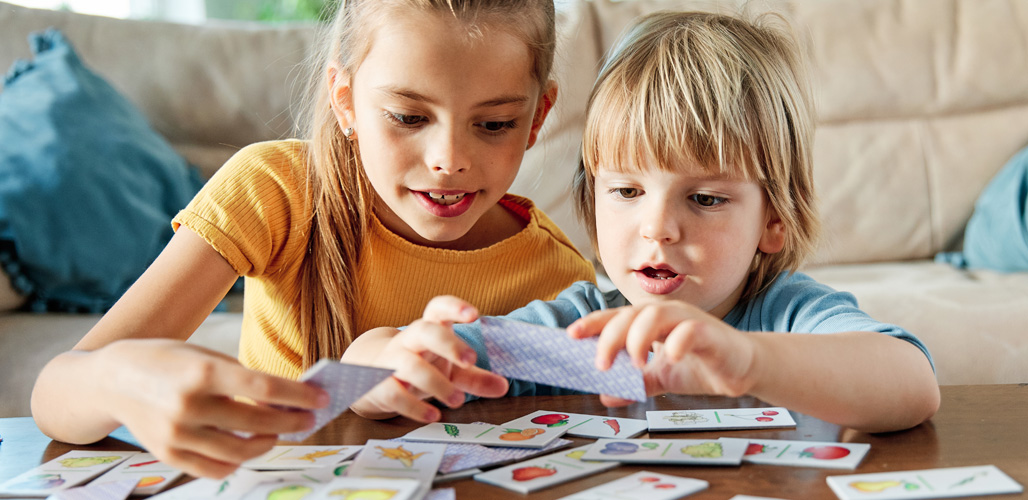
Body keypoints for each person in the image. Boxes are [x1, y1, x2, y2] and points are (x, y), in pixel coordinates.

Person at [30, 0, 595, 478]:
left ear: (538, 116)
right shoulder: (274, 191)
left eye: (493, 124)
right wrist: (119, 381)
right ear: (345, 101)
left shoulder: (560, 278)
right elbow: (55, 397)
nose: (450, 160)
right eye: (407, 116)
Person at [349, 10, 940, 433]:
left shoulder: (785, 315)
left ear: (774, 220)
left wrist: (747, 362)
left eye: (705, 199)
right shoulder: (579, 334)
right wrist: (389, 360)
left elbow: (912, 385)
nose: (657, 228)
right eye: (628, 190)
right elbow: (388, 366)